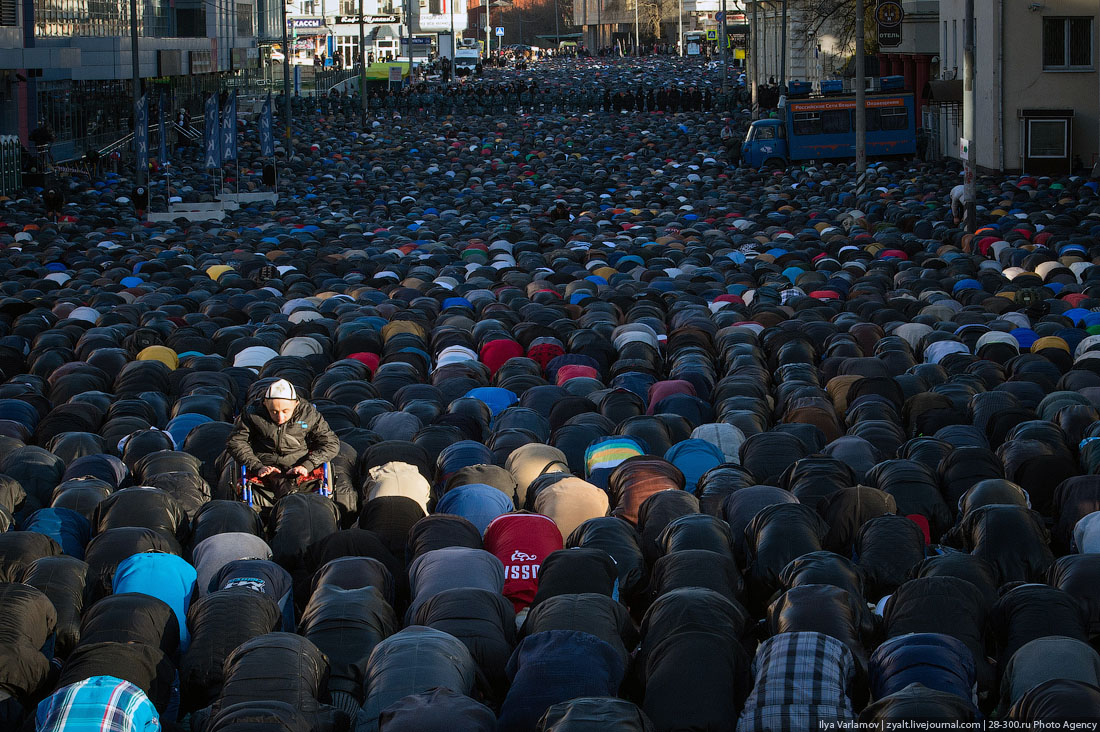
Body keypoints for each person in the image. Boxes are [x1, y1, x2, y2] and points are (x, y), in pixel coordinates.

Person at [226, 378, 340, 504]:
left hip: (299, 459)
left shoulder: (308, 414)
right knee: (278, 478)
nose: (280, 417)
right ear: (265, 403)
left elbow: (331, 443)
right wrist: (256, 466)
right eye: (274, 412)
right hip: (265, 461)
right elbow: (236, 441)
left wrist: (308, 465)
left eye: (285, 412)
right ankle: (290, 500)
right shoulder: (252, 413)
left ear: (295, 404)